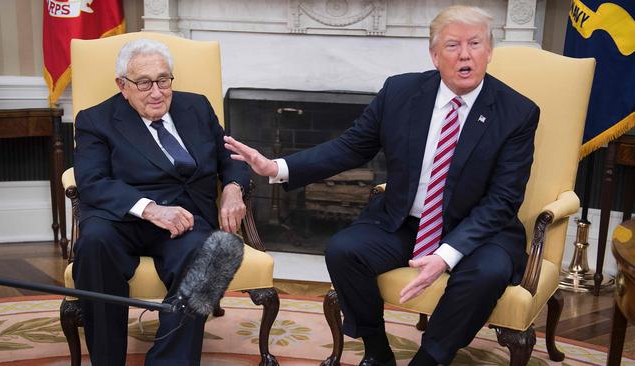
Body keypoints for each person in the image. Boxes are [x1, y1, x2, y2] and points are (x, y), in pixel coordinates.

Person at [224, 5, 539, 366]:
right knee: (345, 250)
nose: (465, 54)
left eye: (475, 43)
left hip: (479, 230)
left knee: (487, 274)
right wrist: (276, 166)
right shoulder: (401, 92)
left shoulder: (517, 112)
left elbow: (502, 200)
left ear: (489, 51)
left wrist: (445, 255)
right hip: (407, 220)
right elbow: (349, 147)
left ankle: (431, 357)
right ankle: (377, 351)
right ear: (435, 55)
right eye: (453, 45)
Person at [72, 38, 249, 365]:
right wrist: (150, 209)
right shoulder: (95, 120)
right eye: (144, 83)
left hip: (187, 218)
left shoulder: (196, 107)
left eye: (163, 80)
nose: (156, 92)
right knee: (93, 245)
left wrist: (234, 187)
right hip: (121, 218)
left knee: (211, 256)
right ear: (122, 86)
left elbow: (232, 156)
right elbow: (92, 181)